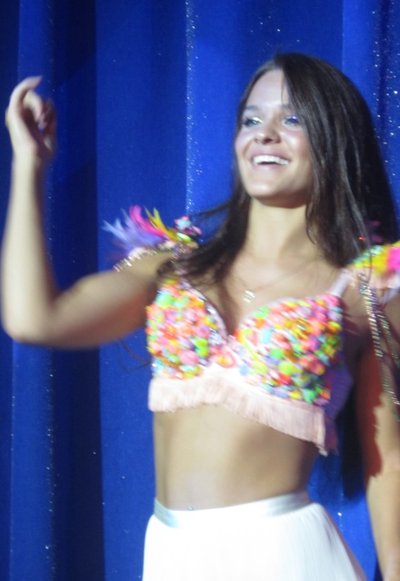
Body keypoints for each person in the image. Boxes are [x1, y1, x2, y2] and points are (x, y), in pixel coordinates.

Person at [2, 53, 400, 580]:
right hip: (172, 556)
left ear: (335, 138)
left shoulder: (366, 290)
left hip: (287, 558)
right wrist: (28, 165)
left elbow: (388, 459)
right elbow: (34, 319)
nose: (264, 134)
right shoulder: (172, 267)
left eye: (292, 118)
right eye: (251, 120)